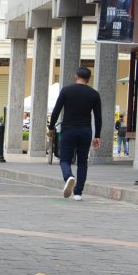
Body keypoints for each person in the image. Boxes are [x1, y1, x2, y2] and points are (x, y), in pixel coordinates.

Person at [48, 66, 102, 201]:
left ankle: (69, 177)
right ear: (88, 79)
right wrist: (97, 136)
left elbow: (56, 111)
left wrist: (51, 127)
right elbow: (98, 117)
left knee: (65, 159)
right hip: (85, 131)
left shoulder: (66, 90)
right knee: (83, 162)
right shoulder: (94, 94)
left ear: (76, 76)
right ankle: (78, 193)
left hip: (68, 130)